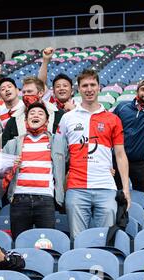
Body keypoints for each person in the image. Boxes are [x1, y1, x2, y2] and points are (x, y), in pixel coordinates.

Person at [57, 69, 131, 239]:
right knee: (78, 239)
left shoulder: (113, 119)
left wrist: (125, 188)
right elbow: (59, 155)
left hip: (106, 187)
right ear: (78, 89)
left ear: (99, 87)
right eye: (85, 85)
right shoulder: (67, 118)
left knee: (103, 239)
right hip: (76, 187)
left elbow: (120, 154)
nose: (89, 89)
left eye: (92, 85)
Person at [2, 102, 67, 239]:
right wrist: (10, 166)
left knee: (47, 243)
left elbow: (71, 161)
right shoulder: (12, 144)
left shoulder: (59, 142)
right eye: (32, 113)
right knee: (19, 242)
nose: (35, 115)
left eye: (40, 113)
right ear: (25, 120)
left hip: (46, 199)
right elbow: (0, 171)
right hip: (19, 199)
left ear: (48, 120)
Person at [1, 76, 58, 148]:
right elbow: (5, 147)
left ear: (40, 93)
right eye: (24, 92)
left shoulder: (58, 114)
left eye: (29, 91)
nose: (25, 95)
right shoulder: (13, 119)